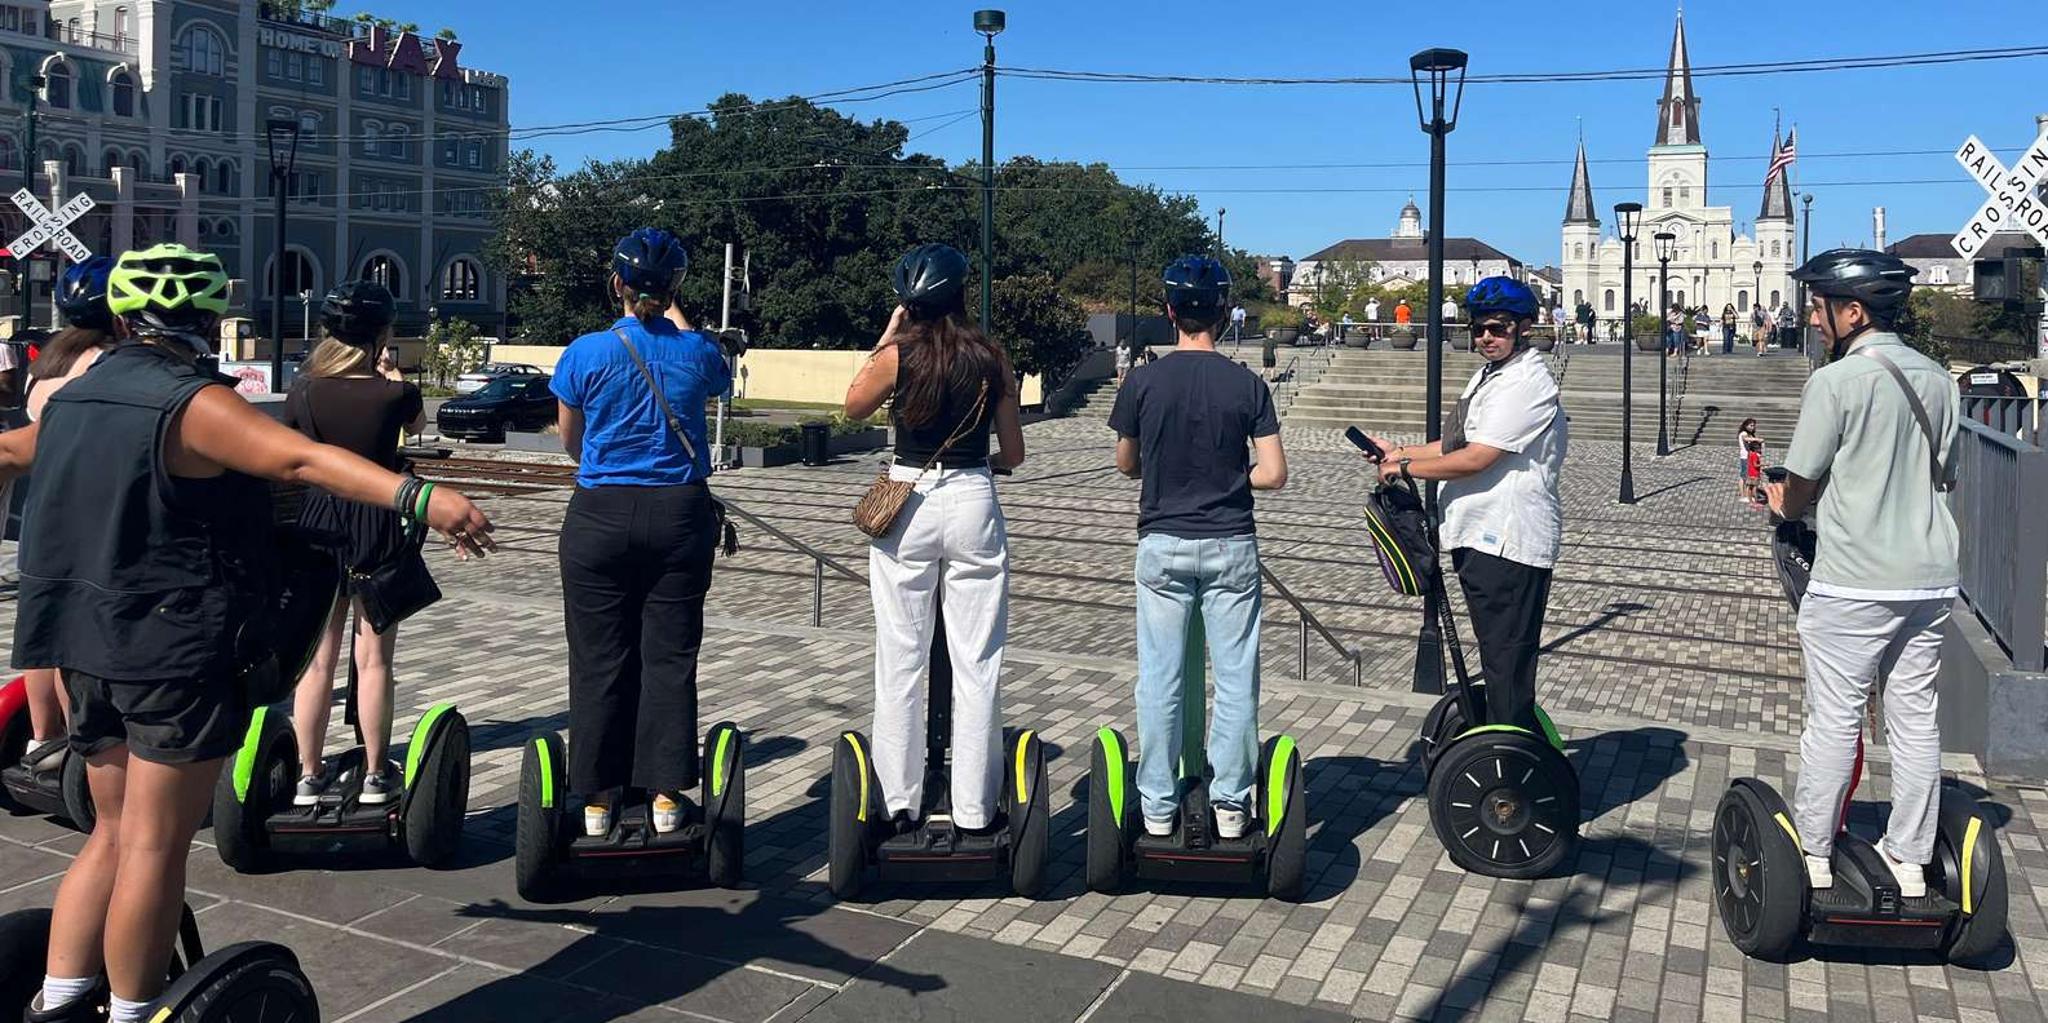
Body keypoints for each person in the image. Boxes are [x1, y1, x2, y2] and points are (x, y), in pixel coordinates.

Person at [1, 244, 492, 1023]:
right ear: (205, 319)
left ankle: (55, 1001)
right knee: (155, 846)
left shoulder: (73, 399)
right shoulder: (193, 403)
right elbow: (299, 458)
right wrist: (421, 496)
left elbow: (8, 452)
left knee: (112, 831)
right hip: (168, 650)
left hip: (80, 644)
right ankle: (133, 1009)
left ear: (125, 319)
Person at [1766, 249, 1955, 897]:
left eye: (1819, 307)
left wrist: (1777, 499)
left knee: (1835, 716)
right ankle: (1909, 856)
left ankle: (1813, 850)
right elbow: (1945, 472)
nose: (1813, 319)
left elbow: (1800, 485)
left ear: (1853, 312)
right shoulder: (1938, 378)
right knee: (1915, 717)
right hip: (1929, 577)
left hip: (1855, 579)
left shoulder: (1836, 381)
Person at [551, 228, 733, 838]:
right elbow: (703, 363)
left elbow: (571, 442)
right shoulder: (699, 352)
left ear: (617, 284)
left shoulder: (586, 352)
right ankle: (662, 795)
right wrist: (673, 306)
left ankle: (598, 801)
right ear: (676, 288)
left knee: (599, 658)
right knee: (670, 657)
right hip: (679, 516)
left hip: (600, 512)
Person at [844, 243, 1025, 835]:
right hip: (973, 496)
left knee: (901, 653)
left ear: (909, 303)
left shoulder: (900, 355)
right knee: (977, 659)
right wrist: (976, 472)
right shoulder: (991, 357)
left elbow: (852, 407)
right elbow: (1015, 454)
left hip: (907, 500)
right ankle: (973, 807)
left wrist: (886, 337)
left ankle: (900, 800)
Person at [1109, 255, 1287, 839]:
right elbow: (1274, 474)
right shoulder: (1247, 384)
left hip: (1162, 543)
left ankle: (1157, 808)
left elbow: (1126, 464)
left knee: (1160, 678)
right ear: (1221, 313)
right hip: (1230, 544)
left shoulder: (1142, 381)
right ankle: (1232, 806)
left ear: (1169, 313)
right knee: (1235, 678)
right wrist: (1233, 476)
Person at [1364, 278, 1566, 732]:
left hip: (1508, 542)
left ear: (1524, 327)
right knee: (1496, 662)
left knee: (1506, 664)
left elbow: (1478, 458)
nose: (1486, 338)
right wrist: (1399, 452)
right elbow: (1455, 443)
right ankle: (1501, 745)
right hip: (1479, 536)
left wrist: (1406, 470)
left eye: (1497, 328)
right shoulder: (1489, 376)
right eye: (1478, 330)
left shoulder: (1527, 383)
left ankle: (1512, 771)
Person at [284, 281, 428, 807]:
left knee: (315, 659)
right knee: (374, 659)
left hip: (320, 520)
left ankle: (308, 773)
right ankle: (374, 773)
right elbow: (418, 426)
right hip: (379, 518)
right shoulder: (395, 393)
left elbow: (292, 447)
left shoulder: (303, 389)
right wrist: (390, 373)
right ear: (381, 336)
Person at [11, 257, 118, 778]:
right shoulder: (105, 363)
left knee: (42, 632)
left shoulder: (48, 360)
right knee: (74, 638)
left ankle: (41, 737)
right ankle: (80, 738)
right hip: (89, 509)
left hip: (41, 506)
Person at [1736, 417, 1764, 503]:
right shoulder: (1744, 433)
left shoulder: (1750, 434)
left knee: (1748, 476)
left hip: (1749, 456)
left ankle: (1748, 494)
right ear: (1745, 425)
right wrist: (1756, 439)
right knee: (1743, 476)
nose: (1752, 427)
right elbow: (1746, 439)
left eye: (1754, 426)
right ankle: (1742, 495)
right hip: (1744, 457)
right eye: (1751, 425)